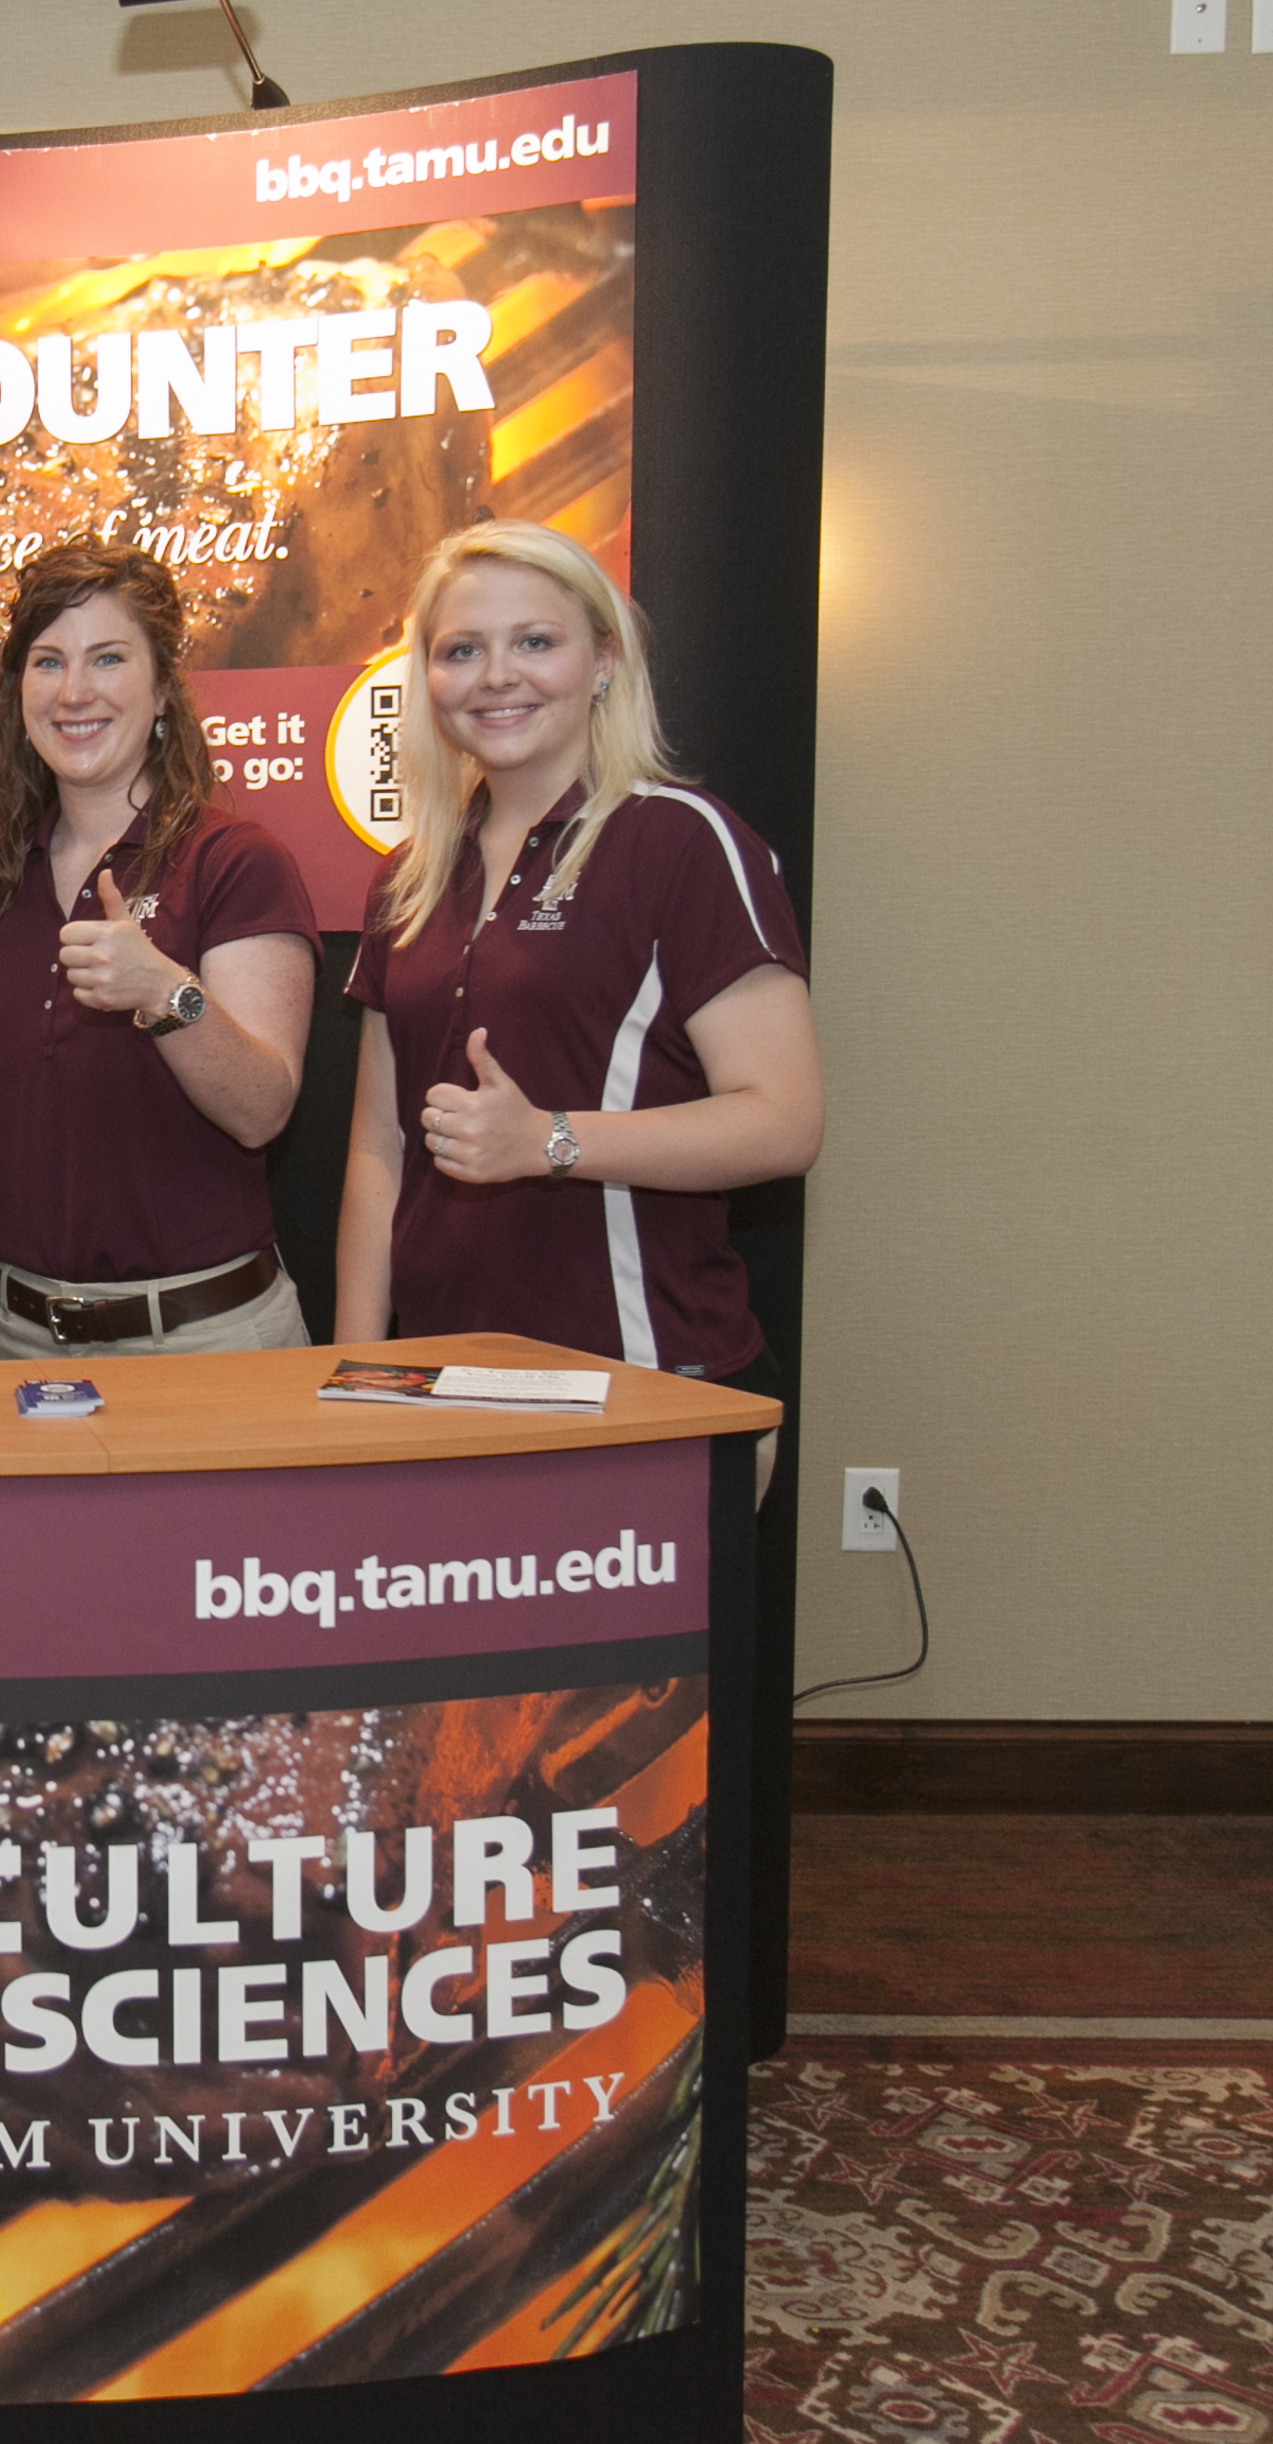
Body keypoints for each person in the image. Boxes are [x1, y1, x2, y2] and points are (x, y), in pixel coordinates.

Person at [330, 517, 821, 2057]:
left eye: (533, 640)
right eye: (460, 648)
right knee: (470, 1789)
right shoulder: (416, 873)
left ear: (605, 658)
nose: (497, 675)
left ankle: (646, 2109)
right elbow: (375, 1153)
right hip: (442, 1413)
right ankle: (492, 2086)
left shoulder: (681, 841)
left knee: (622, 1812)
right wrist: (351, 1384)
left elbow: (784, 1116)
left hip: (640, 1402)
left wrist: (549, 1140)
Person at [0, 541, 317, 1356]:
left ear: (162, 689)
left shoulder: (236, 863)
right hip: (11, 1336)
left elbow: (262, 1111)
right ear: (17, 691)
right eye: (48, 662)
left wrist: (166, 993)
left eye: (108, 658)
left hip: (202, 1341)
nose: (74, 692)